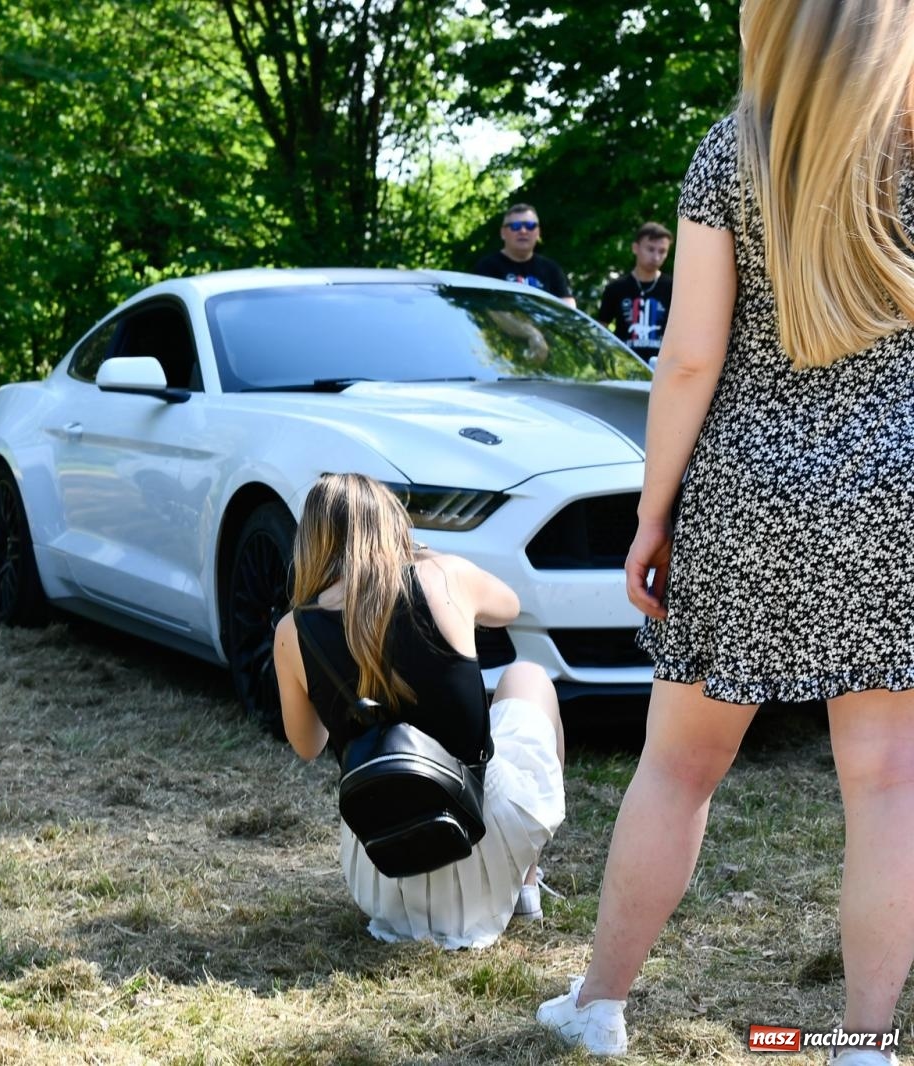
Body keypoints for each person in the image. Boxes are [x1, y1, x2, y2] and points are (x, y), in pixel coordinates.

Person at [536, 1, 914, 1061]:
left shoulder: (732, 151)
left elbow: (690, 358)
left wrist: (651, 512)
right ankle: (861, 1041)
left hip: (746, 495)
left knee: (678, 763)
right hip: (897, 496)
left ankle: (599, 1006)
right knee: (887, 775)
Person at [273, 472, 566, 950]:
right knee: (528, 677)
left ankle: (495, 890)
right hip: (481, 843)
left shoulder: (293, 631)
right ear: (393, 527)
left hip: (383, 871)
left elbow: (309, 745)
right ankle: (526, 884)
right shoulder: (444, 576)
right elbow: (509, 607)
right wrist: (424, 556)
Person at [596, 222, 674, 363]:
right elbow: (600, 330)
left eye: (662, 251)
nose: (656, 257)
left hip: (662, 368)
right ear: (635, 248)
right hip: (624, 366)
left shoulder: (674, 288)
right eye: (650, 249)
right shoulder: (616, 287)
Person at [472, 204, 577, 308]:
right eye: (515, 226)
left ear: (538, 232)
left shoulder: (551, 269)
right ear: (503, 233)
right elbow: (486, 309)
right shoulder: (486, 268)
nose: (523, 231)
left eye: (530, 225)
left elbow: (568, 306)